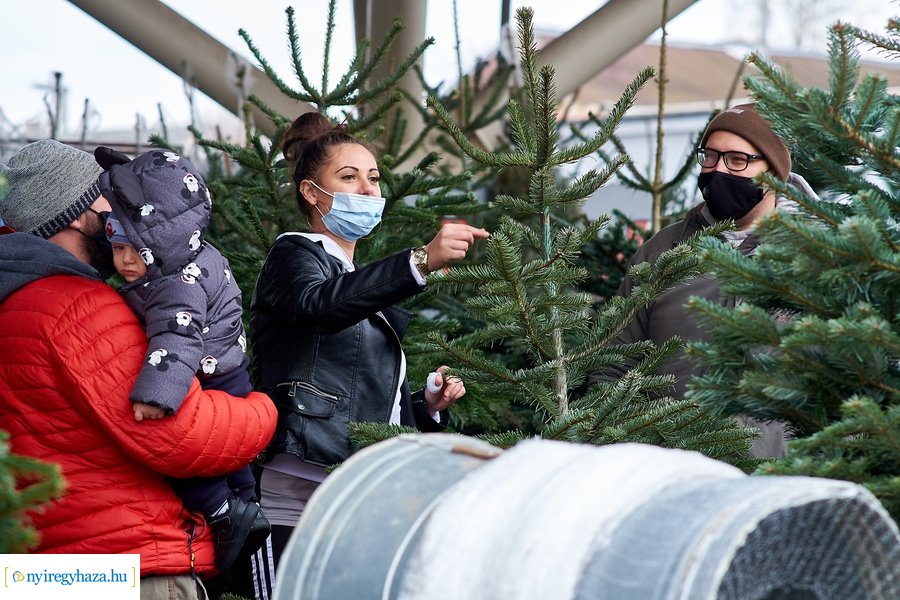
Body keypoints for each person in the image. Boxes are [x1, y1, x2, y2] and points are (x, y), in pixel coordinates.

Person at [0, 139, 277, 600]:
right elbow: (181, 436)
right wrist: (264, 410)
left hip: (39, 569)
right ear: (77, 212)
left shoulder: (13, 301)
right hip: (122, 568)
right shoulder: (77, 307)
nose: (123, 212)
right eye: (109, 198)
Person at [247, 111, 488, 594]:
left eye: (374, 179)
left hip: (353, 483)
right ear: (311, 193)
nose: (367, 189)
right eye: (349, 177)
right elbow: (319, 306)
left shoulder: (356, 279)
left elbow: (364, 392)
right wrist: (418, 261)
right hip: (300, 484)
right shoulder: (294, 253)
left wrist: (425, 406)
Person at [588, 103, 818, 458]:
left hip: (786, 482)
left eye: (737, 160)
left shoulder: (822, 254)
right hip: (675, 474)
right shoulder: (663, 251)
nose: (718, 170)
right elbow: (613, 366)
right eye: (710, 157)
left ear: (773, 171)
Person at [96, 148, 270, 570]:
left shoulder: (178, 284)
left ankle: (223, 514)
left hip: (211, 374)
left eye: (135, 251)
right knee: (236, 463)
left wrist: (156, 394)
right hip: (231, 369)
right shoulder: (186, 257)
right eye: (117, 248)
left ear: (162, 240)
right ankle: (248, 505)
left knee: (186, 460)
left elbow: (177, 338)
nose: (124, 262)